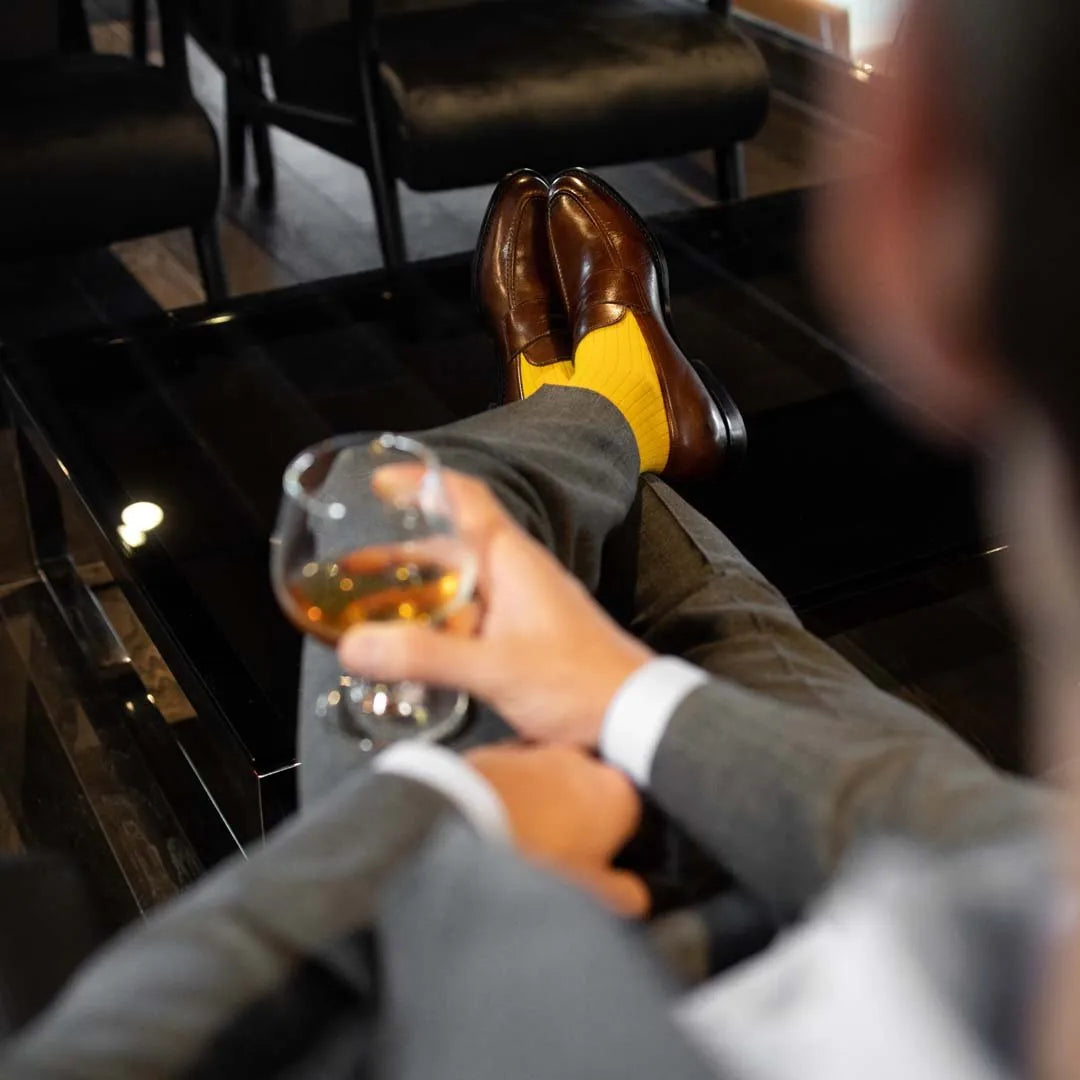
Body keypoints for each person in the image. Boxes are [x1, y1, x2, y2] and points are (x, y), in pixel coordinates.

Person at [0, 0, 1071, 1075]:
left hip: (502, 937)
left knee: (378, 504)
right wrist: (619, 695)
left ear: (902, 198)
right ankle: (610, 413)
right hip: (839, 831)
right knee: (701, 619)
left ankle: (594, 414)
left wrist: (446, 804)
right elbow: (1001, 861)